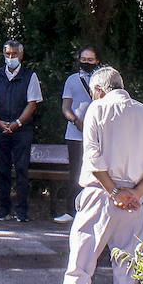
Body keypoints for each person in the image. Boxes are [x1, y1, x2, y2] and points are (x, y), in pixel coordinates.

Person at [43, 67, 143, 284]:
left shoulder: (97, 110)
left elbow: (94, 159)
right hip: (135, 201)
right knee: (127, 269)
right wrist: (135, 193)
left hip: (100, 195)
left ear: (99, 90)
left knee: (80, 265)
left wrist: (113, 191)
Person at [0, 40, 43, 222]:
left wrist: (17, 123)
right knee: (2, 170)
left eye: (14, 54)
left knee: (22, 170)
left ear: (21, 55)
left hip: (22, 131)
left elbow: (32, 104)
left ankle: (22, 210)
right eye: (8, 54)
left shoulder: (29, 76)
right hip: (0, 130)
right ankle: (3, 209)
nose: (11, 58)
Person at [56, 46, 101, 224]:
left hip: (98, 134)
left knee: (97, 171)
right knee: (75, 172)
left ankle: (93, 210)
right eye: (83, 59)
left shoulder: (102, 80)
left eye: (90, 60)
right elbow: (65, 107)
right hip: (75, 134)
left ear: (97, 61)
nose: (86, 62)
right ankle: (71, 210)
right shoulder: (72, 80)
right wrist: (75, 121)